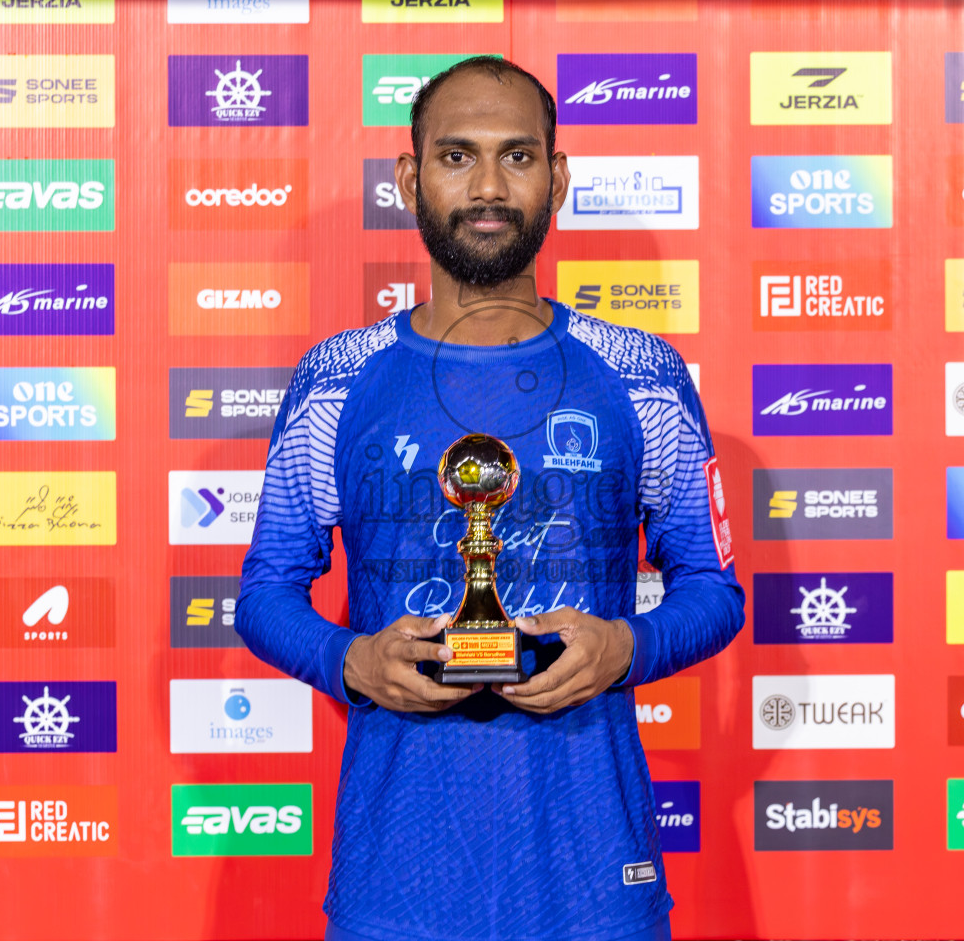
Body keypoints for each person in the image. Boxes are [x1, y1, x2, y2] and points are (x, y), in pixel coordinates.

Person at [236, 56, 744, 941]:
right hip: (395, 884)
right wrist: (351, 663)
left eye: (518, 157)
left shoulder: (643, 376)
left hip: (596, 880)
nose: (488, 186)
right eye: (456, 155)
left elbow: (713, 589)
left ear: (558, 177)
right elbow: (267, 592)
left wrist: (629, 644)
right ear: (409, 178)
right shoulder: (336, 378)